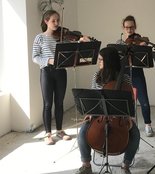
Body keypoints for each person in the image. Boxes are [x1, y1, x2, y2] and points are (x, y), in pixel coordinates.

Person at [75, 47, 140, 174]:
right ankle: (86, 164)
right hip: (99, 115)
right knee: (82, 132)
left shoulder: (125, 78)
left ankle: (125, 165)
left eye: (101, 60)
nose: (98, 62)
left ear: (109, 62)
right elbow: (93, 97)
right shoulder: (96, 76)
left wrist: (129, 118)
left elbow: (129, 101)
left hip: (120, 116)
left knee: (135, 135)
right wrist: (90, 113)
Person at [32, 10, 90, 145]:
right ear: (46, 21)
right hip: (46, 71)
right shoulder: (39, 38)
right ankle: (48, 134)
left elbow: (72, 51)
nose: (57, 23)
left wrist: (81, 41)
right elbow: (35, 57)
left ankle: (59, 130)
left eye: (58, 20)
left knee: (59, 103)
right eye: (53, 21)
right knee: (47, 104)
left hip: (60, 72)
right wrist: (49, 60)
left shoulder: (62, 37)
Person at [116, 15, 154, 137]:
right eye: (127, 27)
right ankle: (127, 124)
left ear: (135, 27)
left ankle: (148, 125)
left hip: (137, 73)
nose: (129, 30)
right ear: (123, 27)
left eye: (132, 27)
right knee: (126, 102)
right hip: (125, 73)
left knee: (144, 101)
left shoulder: (139, 40)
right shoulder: (119, 43)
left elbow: (146, 59)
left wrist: (143, 47)